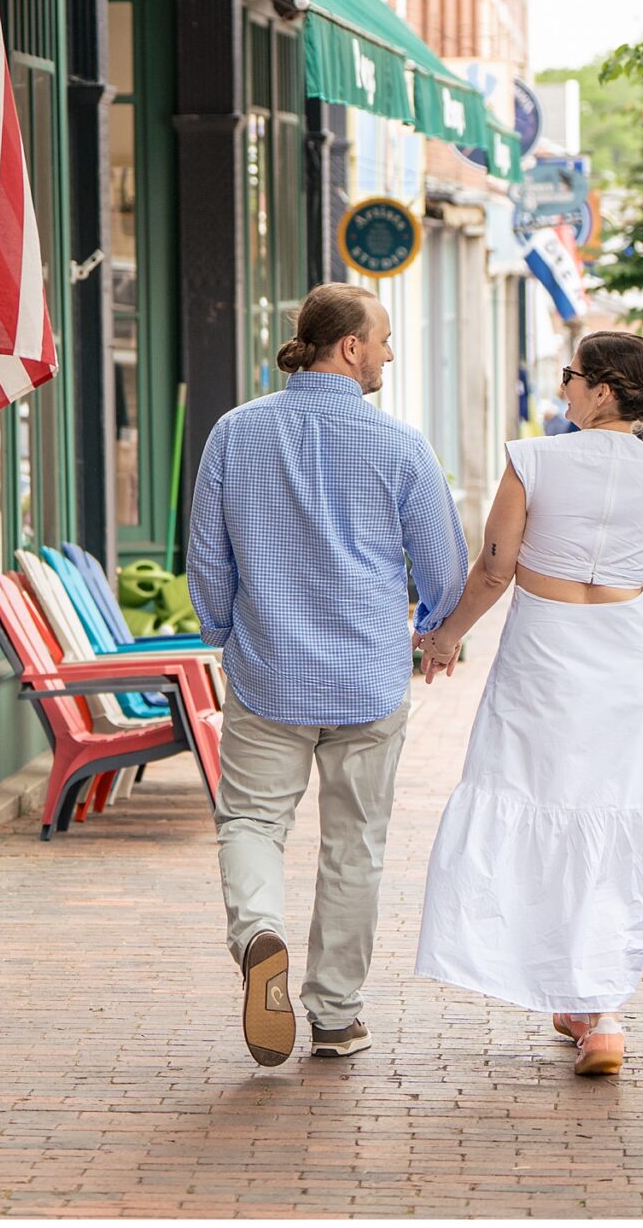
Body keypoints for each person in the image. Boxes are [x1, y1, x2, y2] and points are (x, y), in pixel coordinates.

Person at [186, 284, 467, 1068]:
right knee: (355, 845)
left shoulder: (235, 434)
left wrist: (223, 631)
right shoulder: (401, 446)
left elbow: (207, 558)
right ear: (349, 346)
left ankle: (259, 935)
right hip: (368, 680)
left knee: (250, 823)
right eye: (381, 339)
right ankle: (336, 1015)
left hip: (267, 671)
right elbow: (445, 567)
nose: (387, 353)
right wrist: (434, 629)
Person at [411, 330, 643, 1076]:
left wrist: (445, 638)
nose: (562, 387)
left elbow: (496, 569)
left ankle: (570, 991)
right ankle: (597, 1009)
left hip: (544, 663)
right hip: (628, 667)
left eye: (571, 376)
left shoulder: (532, 460)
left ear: (602, 389)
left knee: (532, 805)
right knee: (607, 821)